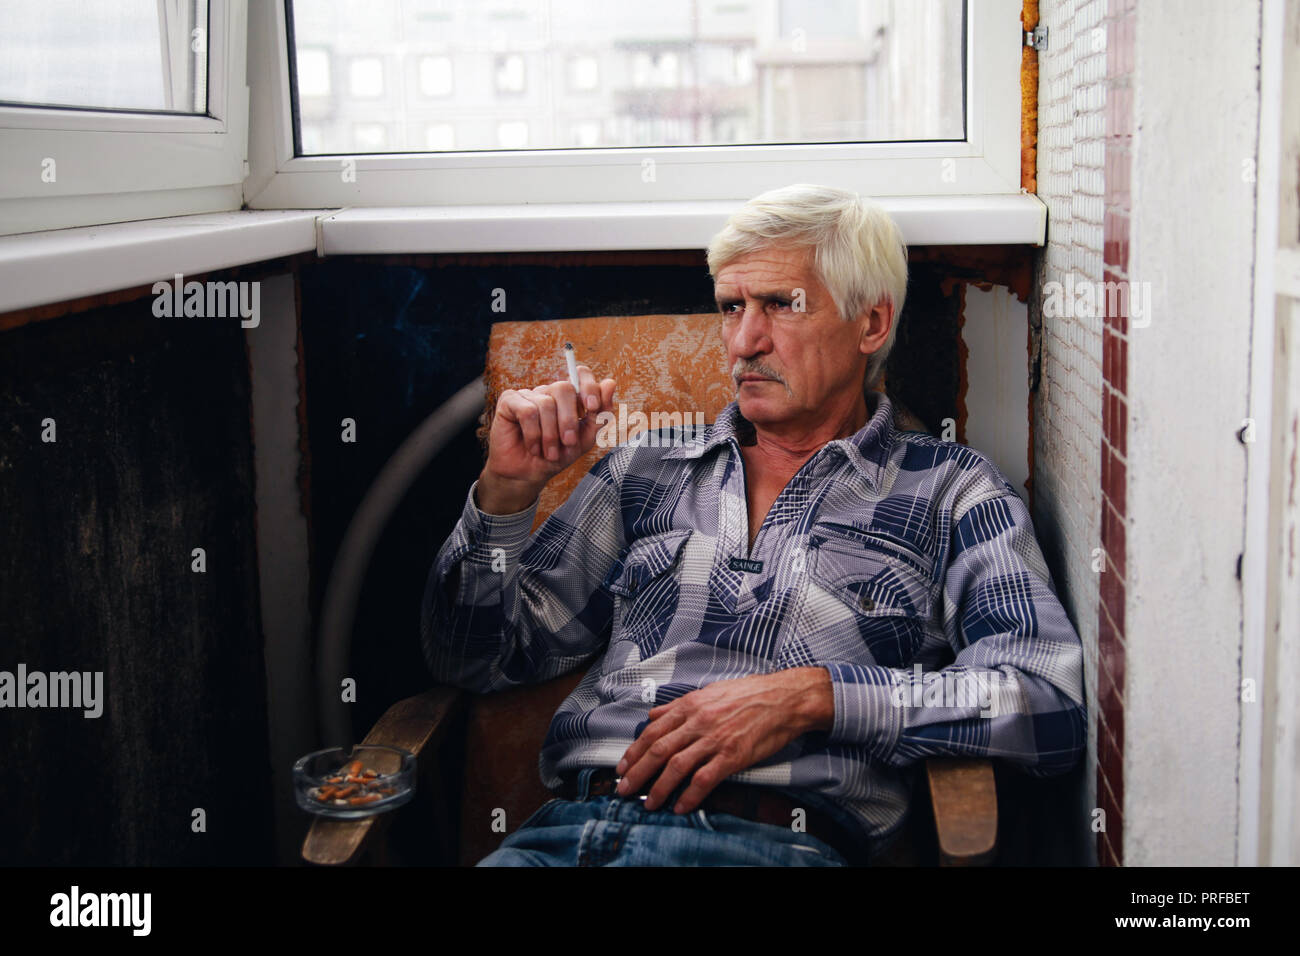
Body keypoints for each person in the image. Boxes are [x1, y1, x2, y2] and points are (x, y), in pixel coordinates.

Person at [420, 183, 1086, 866]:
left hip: (778, 846)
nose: (742, 341)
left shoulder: (951, 489)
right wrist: (504, 495)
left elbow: (1043, 704)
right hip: (565, 838)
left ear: (871, 325)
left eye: (779, 305)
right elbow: (475, 659)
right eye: (731, 307)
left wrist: (814, 698)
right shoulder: (642, 469)